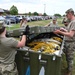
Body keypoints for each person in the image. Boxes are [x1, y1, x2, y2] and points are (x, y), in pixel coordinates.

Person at [54, 8, 75, 75]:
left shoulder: (74, 22)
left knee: (70, 58)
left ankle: (69, 72)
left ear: (70, 13)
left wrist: (60, 32)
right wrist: (63, 29)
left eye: (67, 14)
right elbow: (69, 31)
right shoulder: (71, 22)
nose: (66, 16)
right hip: (67, 42)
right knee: (67, 57)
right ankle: (69, 68)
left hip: (70, 43)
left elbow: (71, 35)